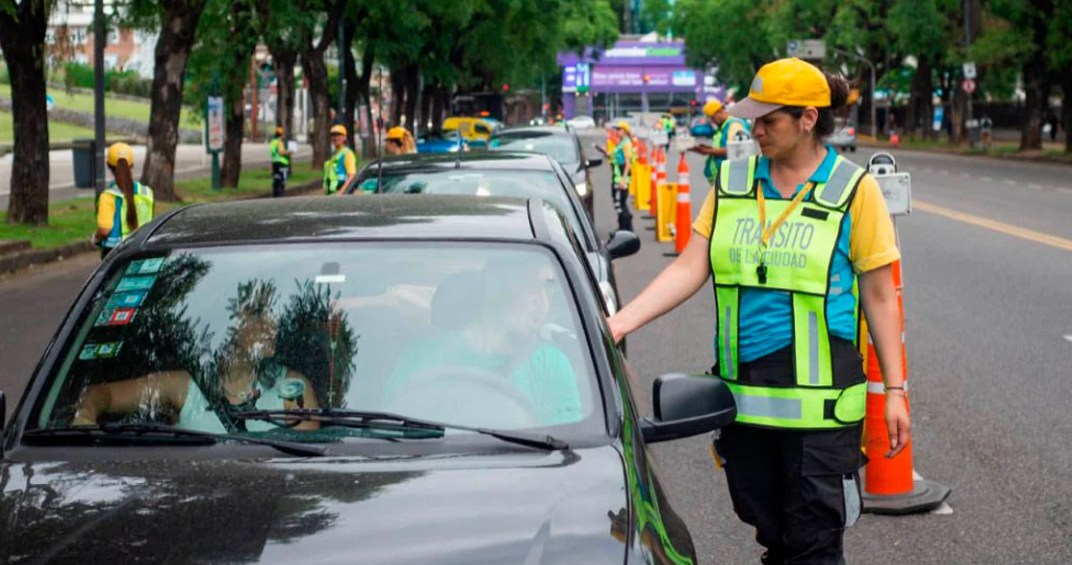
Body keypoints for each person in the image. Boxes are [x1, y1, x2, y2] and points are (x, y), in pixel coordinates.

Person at [607, 57, 910, 565]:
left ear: (808, 119)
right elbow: (690, 266)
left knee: (813, 544)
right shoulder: (732, 182)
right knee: (772, 537)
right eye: (752, 118)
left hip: (822, 409)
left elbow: (880, 296)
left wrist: (895, 392)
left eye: (768, 119)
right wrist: (619, 322)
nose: (754, 129)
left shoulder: (855, 192)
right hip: (746, 401)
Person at [73, 281, 320, 432]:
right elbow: (101, 394)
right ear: (228, 324)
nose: (271, 323)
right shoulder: (182, 386)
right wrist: (84, 416)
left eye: (271, 313)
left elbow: (309, 470)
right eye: (257, 313)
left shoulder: (292, 390)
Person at [382, 261, 582, 426]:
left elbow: (565, 452)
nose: (543, 304)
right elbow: (391, 432)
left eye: (549, 291)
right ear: (495, 286)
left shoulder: (550, 365)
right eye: (532, 288)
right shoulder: (420, 355)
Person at [94, 143, 154, 260]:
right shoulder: (146, 192)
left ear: (108, 165)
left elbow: (104, 230)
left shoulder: (108, 197)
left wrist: (95, 238)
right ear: (131, 165)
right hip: (142, 247)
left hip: (115, 254)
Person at [689, 99, 752, 186]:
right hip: (722, 179)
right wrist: (706, 148)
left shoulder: (734, 125)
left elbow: (735, 150)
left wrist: (707, 151)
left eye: (712, 117)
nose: (712, 121)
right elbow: (722, 147)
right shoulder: (723, 127)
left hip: (730, 179)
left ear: (719, 111)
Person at [324, 124, 358, 196]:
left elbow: (351, 175)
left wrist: (341, 192)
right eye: (333, 135)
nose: (336, 138)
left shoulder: (347, 153)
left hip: (342, 195)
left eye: (339, 135)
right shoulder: (334, 154)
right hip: (332, 194)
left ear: (344, 137)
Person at [270, 126, 292, 198]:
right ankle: (280, 193)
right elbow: (281, 152)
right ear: (281, 134)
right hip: (282, 163)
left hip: (274, 162)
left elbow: (274, 152)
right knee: (282, 180)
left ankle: (275, 192)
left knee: (276, 178)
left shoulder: (273, 141)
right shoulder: (279, 141)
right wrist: (289, 152)